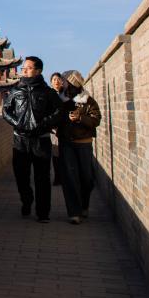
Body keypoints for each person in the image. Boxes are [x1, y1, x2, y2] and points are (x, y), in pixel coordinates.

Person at [2, 56, 64, 223]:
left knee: (42, 178)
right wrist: (17, 123)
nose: (24, 70)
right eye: (23, 68)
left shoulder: (47, 92)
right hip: (20, 140)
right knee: (21, 176)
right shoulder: (16, 90)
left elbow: (59, 111)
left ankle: (43, 213)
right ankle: (27, 200)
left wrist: (44, 123)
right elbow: (6, 110)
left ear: (38, 71)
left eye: (28, 68)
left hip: (41, 140)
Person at [57, 69, 102, 224]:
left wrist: (80, 118)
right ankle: (74, 212)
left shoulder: (88, 101)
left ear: (71, 83)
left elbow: (96, 119)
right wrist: (64, 119)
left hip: (84, 143)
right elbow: (54, 117)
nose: (61, 83)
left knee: (86, 178)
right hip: (66, 143)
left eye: (64, 80)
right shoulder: (60, 100)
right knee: (70, 178)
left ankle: (84, 205)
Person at [49, 72, 67, 186]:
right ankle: (58, 177)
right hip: (54, 130)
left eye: (58, 79)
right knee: (55, 154)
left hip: (65, 128)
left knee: (65, 153)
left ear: (62, 82)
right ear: (51, 82)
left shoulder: (66, 95)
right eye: (54, 79)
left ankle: (65, 177)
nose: (56, 81)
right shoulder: (49, 94)